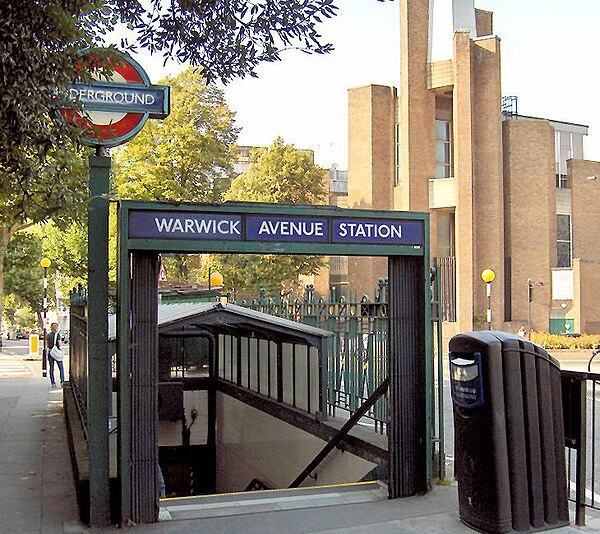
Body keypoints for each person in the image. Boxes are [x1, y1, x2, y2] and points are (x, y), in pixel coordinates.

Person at [47, 322, 65, 388]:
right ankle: (62, 381)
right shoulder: (57, 335)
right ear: (56, 327)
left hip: (50, 352)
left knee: (51, 368)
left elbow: (47, 344)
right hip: (56, 353)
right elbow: (59, 344)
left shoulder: (48, 335)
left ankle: (53, 383)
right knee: (61, 368)